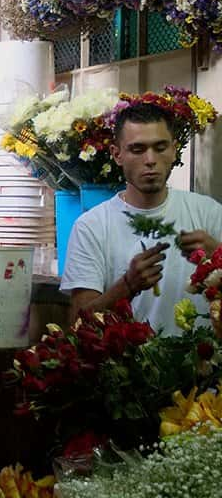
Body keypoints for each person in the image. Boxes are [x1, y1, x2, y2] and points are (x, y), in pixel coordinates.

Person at [60, 103, 222, 335]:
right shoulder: (92, 227)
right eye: (137, 149)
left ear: (174, 150)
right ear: (117, 155)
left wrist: (217, 256)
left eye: (160, 147)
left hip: (204, 365)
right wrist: (127, 285)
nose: (150, 160)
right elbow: (78, 324)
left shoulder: (208, 213)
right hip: (130, 368)